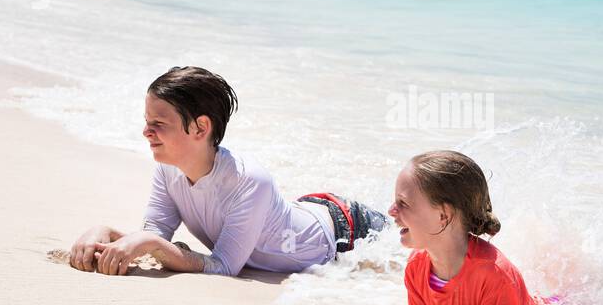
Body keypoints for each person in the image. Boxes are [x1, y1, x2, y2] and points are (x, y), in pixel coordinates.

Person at [68, 67, 388, 277]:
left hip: (351, 232)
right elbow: (152, 238)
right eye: (147, 122)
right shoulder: (168, 170)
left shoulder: (249, 182)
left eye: (158, 125)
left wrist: (146, 242)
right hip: (307, 214)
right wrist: (106, 233)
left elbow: (222, 267)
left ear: (200, 127)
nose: (145, 132)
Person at [389, 150, 542, 305]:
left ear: (443, 216)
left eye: (403, 203)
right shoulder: (416, 268)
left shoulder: (493, 276)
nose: (391, 211)